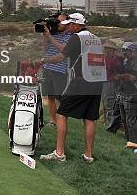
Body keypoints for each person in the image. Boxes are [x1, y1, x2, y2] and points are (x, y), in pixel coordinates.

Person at [39, 13, 104, 164]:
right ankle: (88, 156)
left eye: (70, 24)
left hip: (81, 81)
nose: (68, 27)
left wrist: (44, 60)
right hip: (97, 81)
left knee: (61, 114)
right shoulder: (95, 38)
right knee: (89, 118)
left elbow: (62, 56)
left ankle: (59, 153)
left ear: (76, 25)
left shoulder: (77, 38)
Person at [41, 13, 70, 125]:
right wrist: (45, 36)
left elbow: (63, 50)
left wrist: (49, 37)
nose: (58, 24)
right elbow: (45, 48)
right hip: (48, 68)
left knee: (60, 97)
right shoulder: (54, 33)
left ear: (67, 23)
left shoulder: (69, 35)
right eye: (58, 21)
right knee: (50, 96)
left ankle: (61, 121)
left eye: (61, 22)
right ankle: (53, 120)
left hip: (60, 70)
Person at [115, 43, 137, 149]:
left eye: (128, 51)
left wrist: (120, 76)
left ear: (134, 52)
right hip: (123, 92)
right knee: (124, 119)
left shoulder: (135, 62)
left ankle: (134, 142)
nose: (125, 53)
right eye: (125, 50)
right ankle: (128, 140)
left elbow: (132, 77)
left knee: (130, 119)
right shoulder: (126, 62)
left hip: (133, 94)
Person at [101, 39, 124, 133]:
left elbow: (118, 69)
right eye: (106, 48)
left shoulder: (116, 59)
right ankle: (106, 124)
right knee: (106, 104)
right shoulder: (105, 57)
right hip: (105, 81)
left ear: (113, 50)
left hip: (111, 82)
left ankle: (109, 126)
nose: (107, 50)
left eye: (109, 48)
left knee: (110, 104)